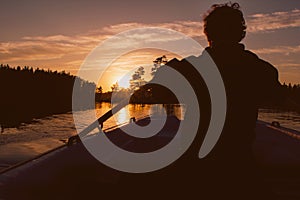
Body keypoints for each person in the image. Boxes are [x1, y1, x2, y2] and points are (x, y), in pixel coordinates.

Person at [146, 2, 284, 199]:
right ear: (241, 34)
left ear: (208, 35)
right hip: (239, 164)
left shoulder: (190, 68)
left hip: (195, 164)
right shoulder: (262, 70)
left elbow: (159, 94)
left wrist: (163, 75)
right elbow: (277, 96)